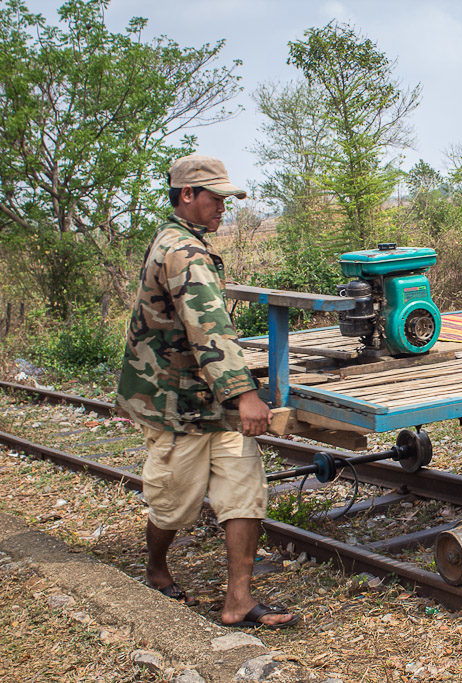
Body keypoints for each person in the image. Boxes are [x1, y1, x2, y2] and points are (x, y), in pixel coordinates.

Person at [115, 154, 298, 628]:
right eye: (216, 199)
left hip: (210, 398)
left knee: (243, 494)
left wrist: (234, 396)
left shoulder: (187, 242)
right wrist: (246, 395)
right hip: (177, 403)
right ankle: (156, 567)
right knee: (173, 503)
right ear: (186, 195)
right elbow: (209, 329)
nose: (224, 209)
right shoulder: (183, 251)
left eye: (226, 199)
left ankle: (238, 599)